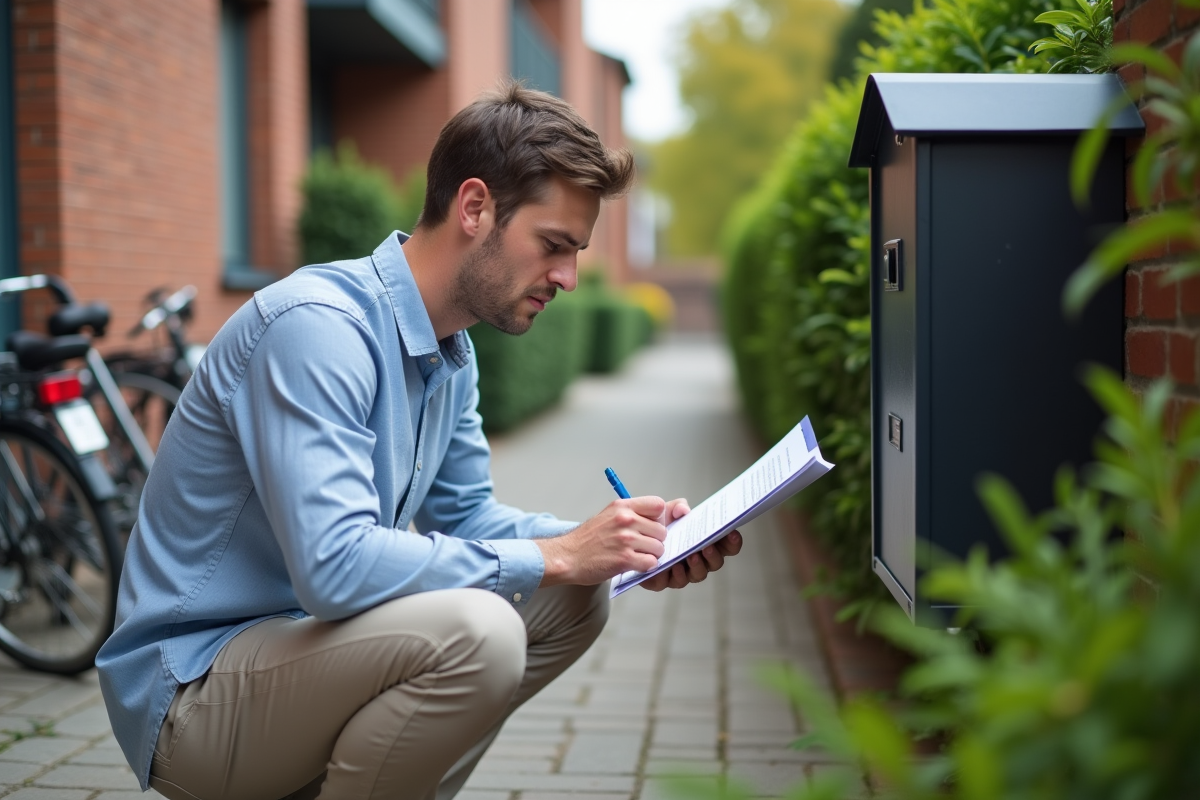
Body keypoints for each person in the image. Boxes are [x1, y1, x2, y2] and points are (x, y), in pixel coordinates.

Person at [96, 81, 742, 800]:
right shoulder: (317, 329)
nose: (567, 276)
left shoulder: (449, 349)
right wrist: (556, 554)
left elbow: (468, 520)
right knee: (483, 631)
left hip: (305, 654)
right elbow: (335, 567)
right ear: (475, 208)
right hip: (194, 693)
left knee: (576, 594)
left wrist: (616, 543)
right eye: (554, 245)